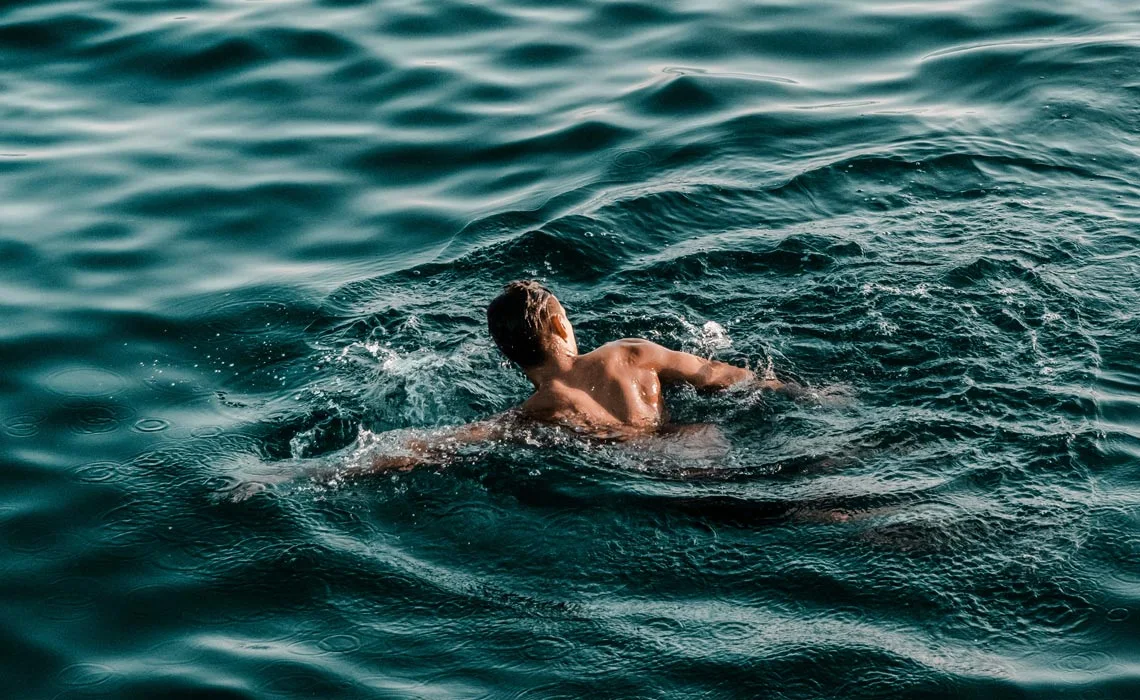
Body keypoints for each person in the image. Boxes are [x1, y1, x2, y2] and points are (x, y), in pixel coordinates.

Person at [348, 280, 799, 475]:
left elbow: (435, 445)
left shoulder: (538, 411)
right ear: (563, 326)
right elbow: (723, 375)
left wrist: (335, 469)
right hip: (700, 441)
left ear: (508, 357)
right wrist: (803, 392)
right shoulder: (631, 353)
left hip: (659, 473)